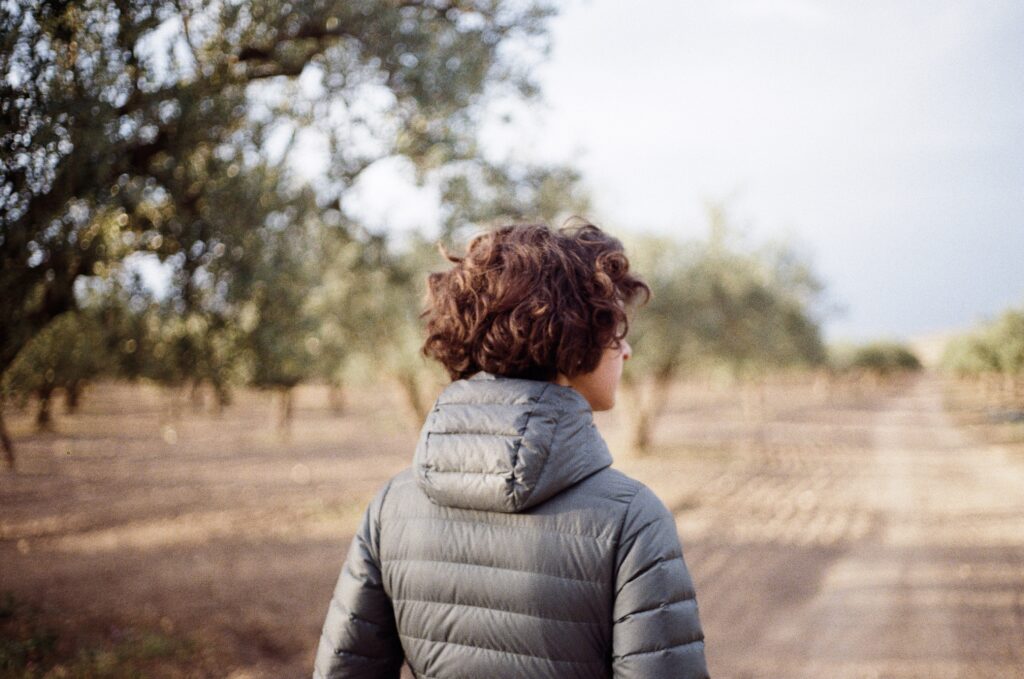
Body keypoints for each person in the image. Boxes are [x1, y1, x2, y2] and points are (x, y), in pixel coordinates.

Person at [313, 221, 709, 679]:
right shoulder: (632, 519)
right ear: (573, 339)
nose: (627, 351)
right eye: (614, 330)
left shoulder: (390, 507)